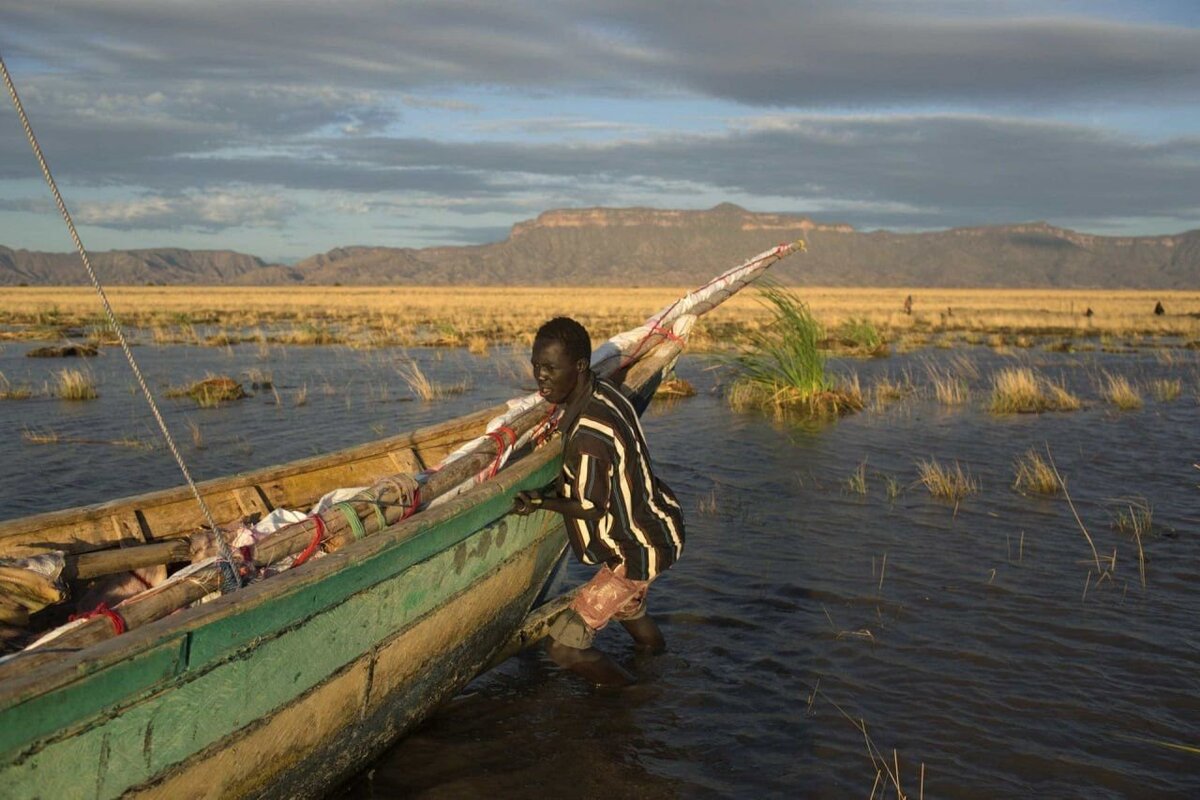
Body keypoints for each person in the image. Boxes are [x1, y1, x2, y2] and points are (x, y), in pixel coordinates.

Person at [513, 317, 685, 686]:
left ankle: (628, 695)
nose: (540, 376)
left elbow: (590, 506)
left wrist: (541, 501)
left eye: (550, 369)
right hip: (658, 525)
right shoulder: (603, 392)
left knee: (563, 648)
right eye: (536, 366)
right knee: (628, 608)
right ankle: (658, 665)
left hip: (635, 548)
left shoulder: (590, 432)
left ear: (578, 367)